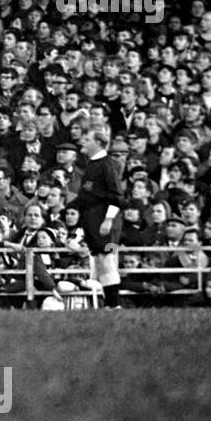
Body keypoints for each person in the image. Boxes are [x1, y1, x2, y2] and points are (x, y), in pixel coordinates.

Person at [76, 128, 126, 307]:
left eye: (87, 138)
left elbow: (117, 195)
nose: (83, 141)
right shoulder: (92, 164)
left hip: (105, 222)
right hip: (93, 221)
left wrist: (108, 219)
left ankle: (114, 304)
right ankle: (110, 304)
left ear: (98, 143)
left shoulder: (107, 164)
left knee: (107, 259)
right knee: (99, 260)